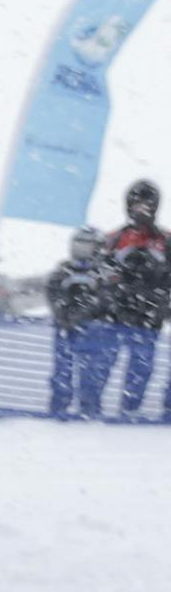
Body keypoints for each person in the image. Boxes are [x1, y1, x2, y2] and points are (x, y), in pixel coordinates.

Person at [103, 179, 168, 420]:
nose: (141, 209)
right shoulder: (113, 239)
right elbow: (102, 274)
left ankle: (130, 409)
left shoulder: (165, 241)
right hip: (117, 315)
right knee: (104, 361)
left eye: (146, 205)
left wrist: (161, 303)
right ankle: (90, 406)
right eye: (137, 204)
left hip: (150, 316)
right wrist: (113, 299)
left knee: (142, 365)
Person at [45, 227, 116, 421]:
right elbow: (52, 292)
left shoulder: (102, 274)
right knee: (62, 370)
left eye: (87, 245)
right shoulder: (64, 270)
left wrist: (83, 313)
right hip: (64, 328)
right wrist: (62, 314)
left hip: (93, 330)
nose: (81, 250)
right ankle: (59, 405)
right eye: (78, 245)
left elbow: (104, 298)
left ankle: (90, 407)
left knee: (90, 371)